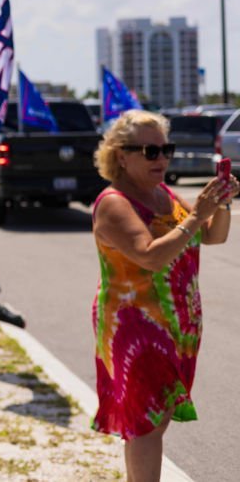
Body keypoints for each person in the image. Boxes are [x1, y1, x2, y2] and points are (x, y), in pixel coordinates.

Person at [91, 110, 236, 482]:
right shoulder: (114, 203)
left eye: (166, 149)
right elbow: (151, 256)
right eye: (150, 151)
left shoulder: (163, 195)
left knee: (157, 418)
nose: (162, 158)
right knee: (146, 423)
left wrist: (221, 203)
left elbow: (213, 235)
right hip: (137, 327)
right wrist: (197, 214)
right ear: (121, 155)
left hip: (176, 324)